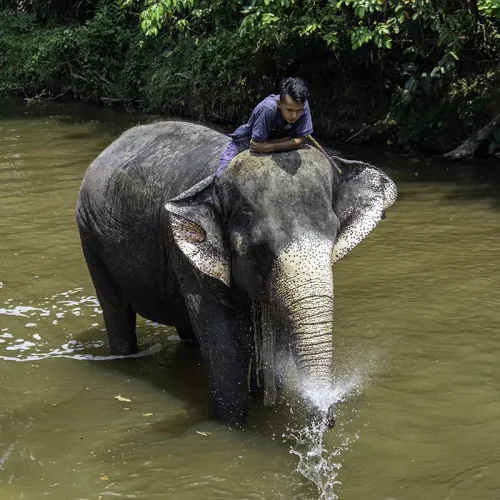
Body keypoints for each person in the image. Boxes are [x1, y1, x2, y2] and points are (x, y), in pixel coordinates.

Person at [217, 77, 313, 176]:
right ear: (279, 104)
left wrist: (271, 146)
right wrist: (289, 140)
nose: (294, 116)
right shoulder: (267, 109)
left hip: (276, 138)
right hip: (246, 141)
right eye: (289, 110)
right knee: (222, 175)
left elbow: (302, 139)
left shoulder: (303, 105)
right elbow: (257, 145)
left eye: (298, 111)